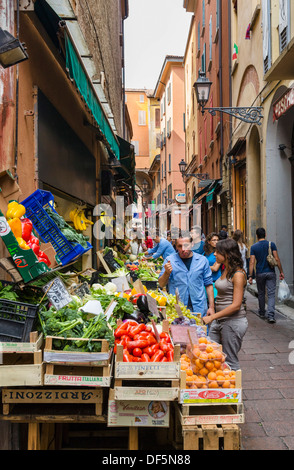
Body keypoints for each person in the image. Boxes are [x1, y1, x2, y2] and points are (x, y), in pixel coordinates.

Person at [202, 238, 248, 370]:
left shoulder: (238, 274)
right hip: (220, 320)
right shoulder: (226, 269)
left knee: (230, 361)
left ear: (227, 254)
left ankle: (234, 390)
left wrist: (212, 317)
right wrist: (213, 310)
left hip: (233, 322)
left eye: (218, 251)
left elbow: (236, 305)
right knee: (212, 354)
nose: (215, 254)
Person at [158, 235, 214, 317]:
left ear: (192, 244)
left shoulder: (202, 260)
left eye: (186, 245)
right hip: (178, 309)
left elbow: (208, 284)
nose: (183, 249)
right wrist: (167, 272)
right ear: (176, 246)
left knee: (201, 329)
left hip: (199, 307)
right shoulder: (169, 261)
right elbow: (161, 284)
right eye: (180, 246)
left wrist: (211, 307)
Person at [248, 227, 284, 323]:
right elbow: (276, 259)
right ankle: (271, 315)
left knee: (261, 293)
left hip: (260, 273)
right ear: (265, 234)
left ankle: (262, 312)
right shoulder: (271, 244)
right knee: (271, 294)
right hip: (271, 272)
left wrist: (250, 276)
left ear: (256, 236)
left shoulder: (254, 247)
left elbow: (251, 262)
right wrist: (281, 271)